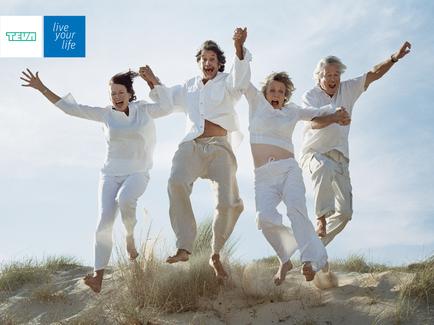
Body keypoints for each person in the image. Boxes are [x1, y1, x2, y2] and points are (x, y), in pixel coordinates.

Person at [20, 66, 172, 293]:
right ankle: (97, 275)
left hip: (138, 173)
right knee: (104, 222)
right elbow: (71, 109)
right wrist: (42, 88)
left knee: (125, 199)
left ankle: (130, 237)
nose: (117, 97)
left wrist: (153, 81)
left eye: (121, 92)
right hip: (110, 174)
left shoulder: (145, 110)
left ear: (130, 93)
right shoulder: (105, 115)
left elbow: (167, 106)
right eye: (113, 94)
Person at [146, 28, 251, 279]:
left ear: (219, 63)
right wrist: (152, 80)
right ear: (198, 62)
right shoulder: (188, 87)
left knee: (228, 203)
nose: (207, 63)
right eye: (204, 59)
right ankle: (184, 246)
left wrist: (238, 46)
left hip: (219, 149)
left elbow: (241, 79)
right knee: (176, 182)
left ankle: (215, 253)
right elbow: (166, 102)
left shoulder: (228, 82)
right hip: (191, 146)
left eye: (212, 59)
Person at [244, 67, 350, 283]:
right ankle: (286, 257)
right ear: (265, 94)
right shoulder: (256, 105)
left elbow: (315, 113)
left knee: (296, 211)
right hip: (263, 177)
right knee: (263, 218)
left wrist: (336, 113)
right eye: (272, 90)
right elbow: (243, 80)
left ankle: (309, 261)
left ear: (286, 95)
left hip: (289, 170)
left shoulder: (292, 111)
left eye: (281, 91)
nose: (276, 94)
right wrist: (239, 49)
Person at [300, 41, 412, 246]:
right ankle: (321, 218)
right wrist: (334, 117)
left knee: (345, 214)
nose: (332, 78)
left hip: (341, 159)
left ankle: (315, 248)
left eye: (336, 75)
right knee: (323, 168)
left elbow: (373, 74)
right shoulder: (311, 96)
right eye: (328, 75)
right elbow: (313, 122)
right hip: (315, 154)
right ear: (319, 76)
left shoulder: (348, 89)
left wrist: (394, 58)